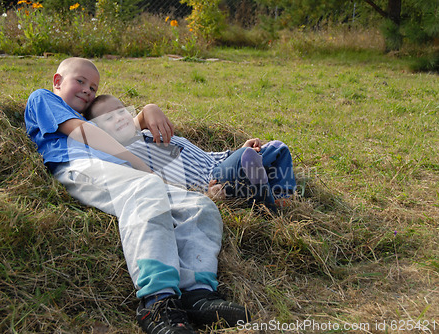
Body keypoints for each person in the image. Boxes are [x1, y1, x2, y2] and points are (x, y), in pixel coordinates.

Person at [24, 57, 250, 334]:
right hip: (78, 166)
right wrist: (138, 164)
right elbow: (83, 132)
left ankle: (197, 293)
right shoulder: (44, 99)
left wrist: (149, 110)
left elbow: (126, 126)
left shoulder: (89, 117)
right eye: (80, 81)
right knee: (146, 187)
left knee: (199, 206)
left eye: (93, 87)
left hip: (123, 173)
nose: (87, 90)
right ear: (58, 82)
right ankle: (157, 301)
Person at [84, 94, 296, 211]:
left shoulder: (153, 131)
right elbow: (161, 188)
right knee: (248, 159)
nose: (119, 118)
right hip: (213, 183)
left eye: (121, 111)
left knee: (277, 148)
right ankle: (268, 205)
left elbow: (204, 156)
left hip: (222, 163)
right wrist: (205, 196)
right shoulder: (127, 154)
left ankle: (281, 196)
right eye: (109, 119)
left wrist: (236, 152)